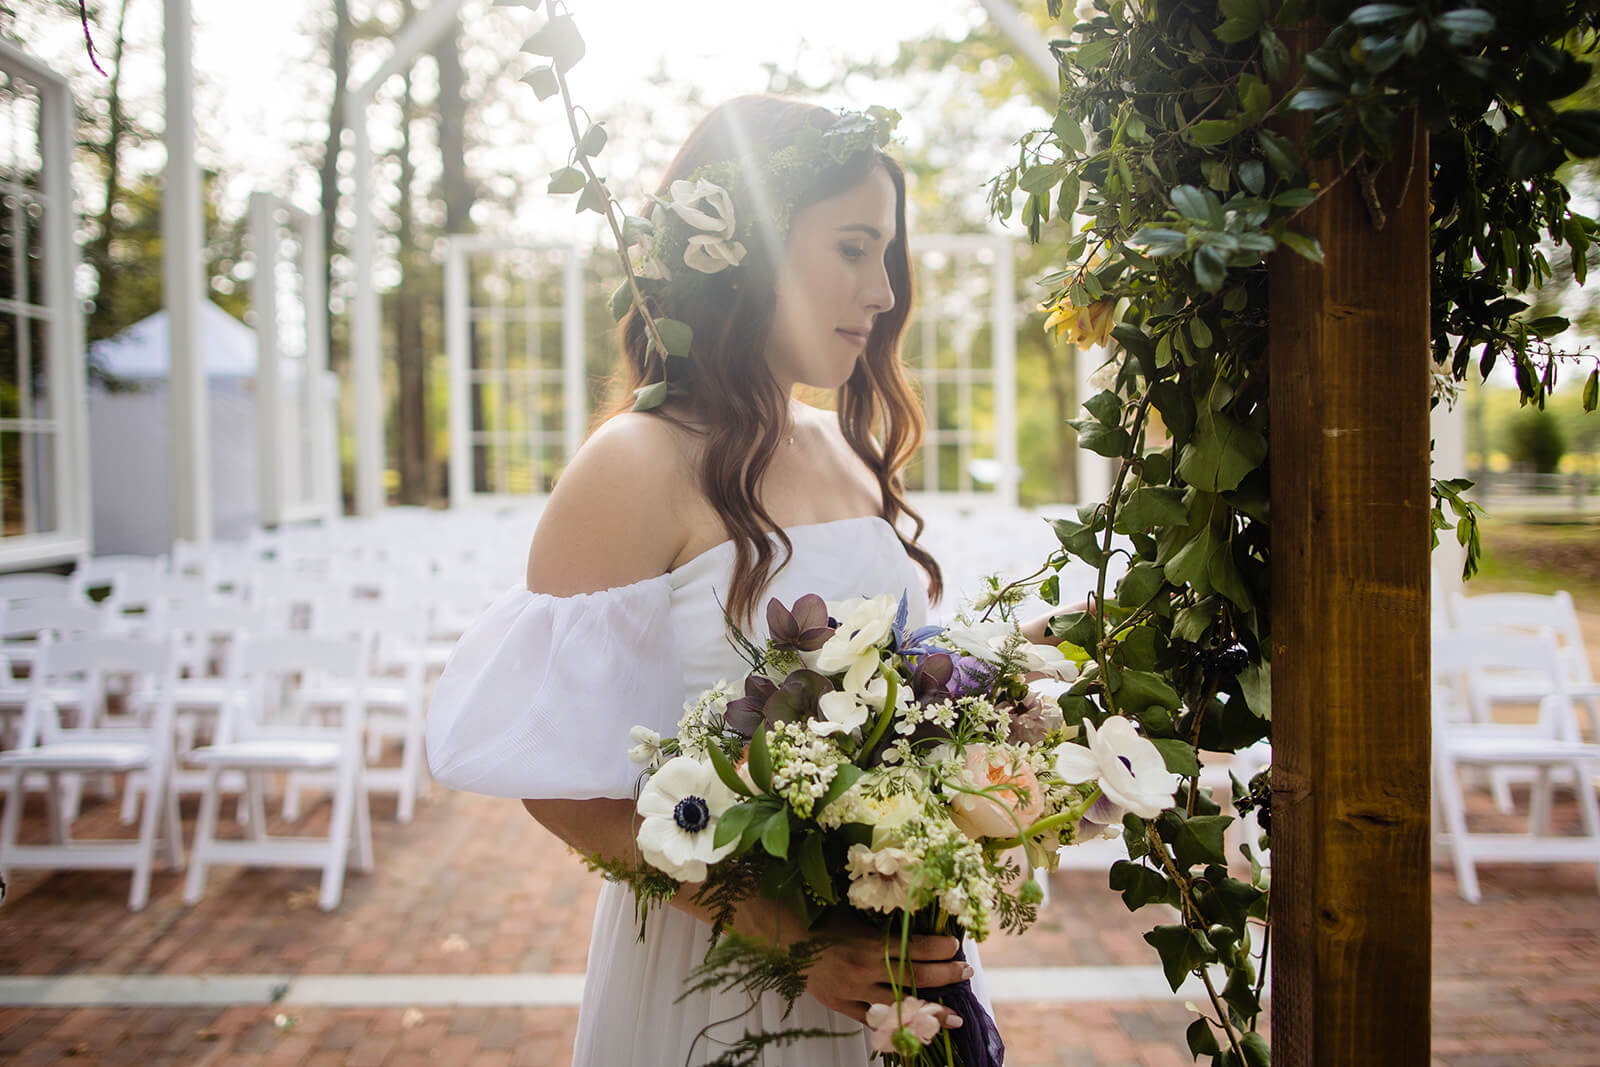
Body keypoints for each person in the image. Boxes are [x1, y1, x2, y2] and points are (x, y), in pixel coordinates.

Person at [426, 95, 989, 1066]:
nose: (884, 290)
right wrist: (790, 935)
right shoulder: (633, 466)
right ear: (749, 252)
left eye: (885, 253)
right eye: (853, 247)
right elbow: (564, 791)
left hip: (885, 964)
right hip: (717, 978)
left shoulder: (847, 452)